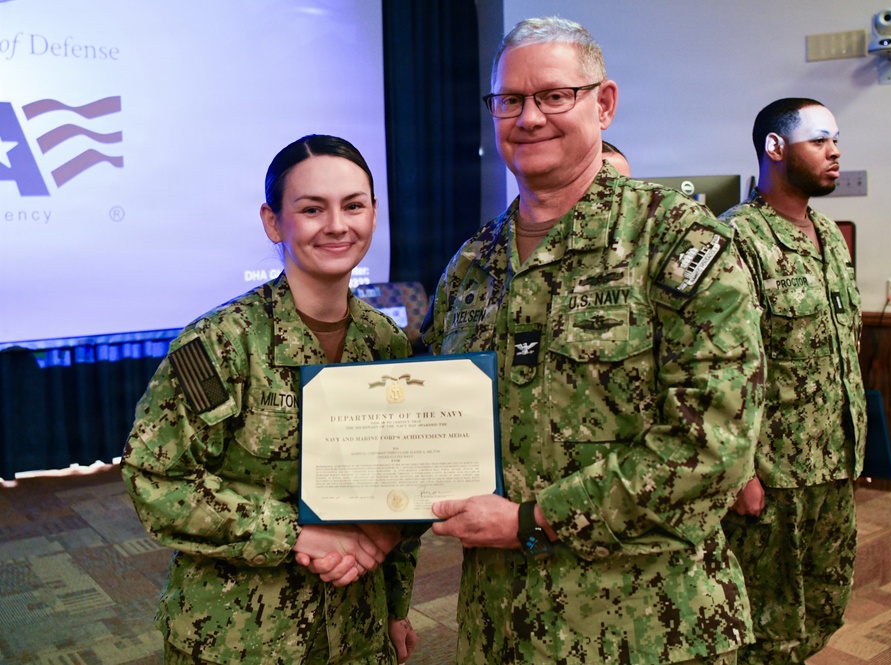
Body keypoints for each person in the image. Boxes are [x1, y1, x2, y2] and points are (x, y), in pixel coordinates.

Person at [422, 16, 765, 665]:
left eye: (554, 95)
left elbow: (713, 443)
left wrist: (533, 519)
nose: (529, 118)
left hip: (649, 630)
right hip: (500, 626)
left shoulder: (675, 240)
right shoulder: (471, 266)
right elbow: (430, 422)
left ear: (603, 104)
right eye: (510, 100)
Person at [121, 135, 419, 664]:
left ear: (374, 214)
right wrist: (295, 534)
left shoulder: (385, 344)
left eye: (353, 206)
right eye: (312, 209)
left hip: (357, 631)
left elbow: (399, 480)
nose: (337, 225)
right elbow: (156, 479)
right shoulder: (219, 343)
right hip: (240, 639)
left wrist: (396, 607)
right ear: (273, 222)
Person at [719, 98, 867, 664]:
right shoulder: (737, 237)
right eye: (819, 140)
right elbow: (727, 365)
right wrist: (740, 472)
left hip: (832, 460)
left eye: (836, 140)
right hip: (773, 473)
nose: (835, 152)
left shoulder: (828, 233)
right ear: (775, 148)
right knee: (764, 623)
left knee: (822, 606)